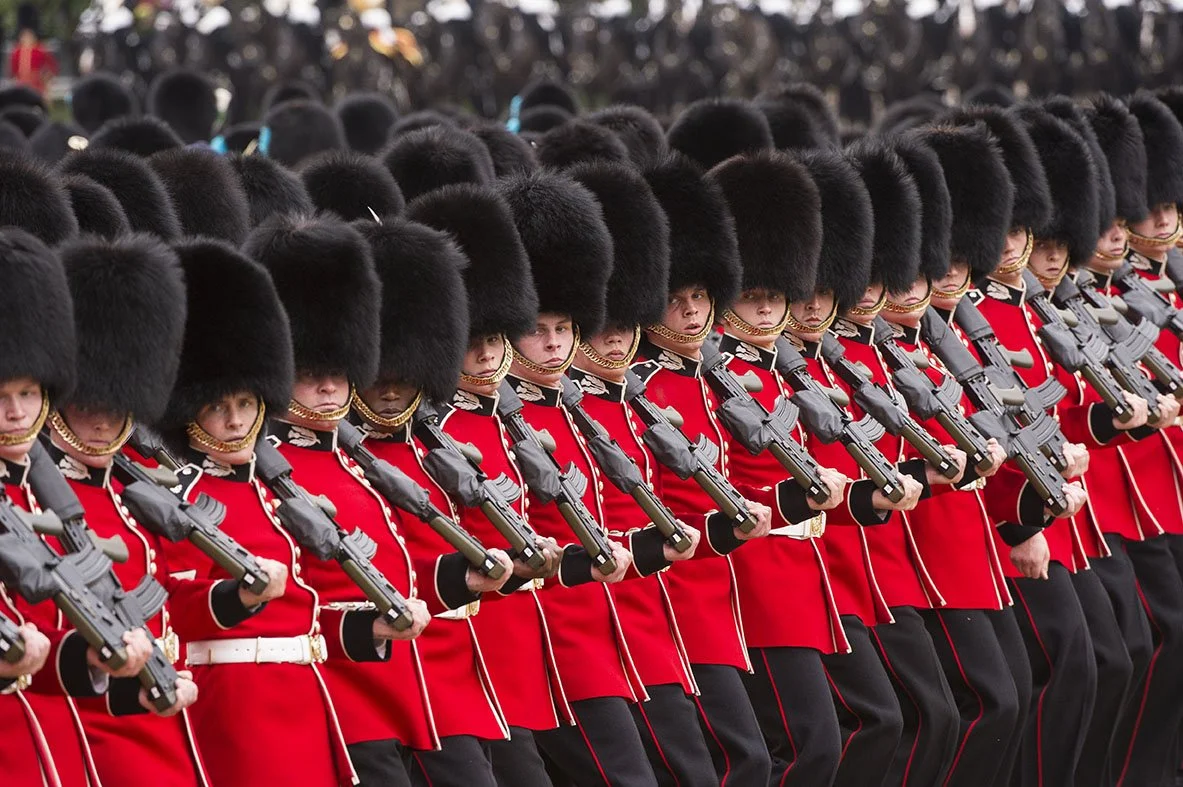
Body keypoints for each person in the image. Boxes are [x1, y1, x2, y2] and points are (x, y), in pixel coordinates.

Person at [243, 215, 437, 787]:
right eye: (310, 374)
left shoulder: (353, 458)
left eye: (337, 371)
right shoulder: (265, 471)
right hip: (336, 693)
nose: (329, 387)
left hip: (395, 683)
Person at [157, 238, 355, 787]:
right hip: (235, 704)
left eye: (245, 404)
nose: (238, 420)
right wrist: (237, 595)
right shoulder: (181, 497)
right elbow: (172, 602)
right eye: (219, 408)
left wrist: (370, 626)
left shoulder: (278, 493)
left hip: (303, 696)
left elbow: (312, 606)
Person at [349, 214, 516, 787]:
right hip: (365, 675)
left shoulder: (439, 443)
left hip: (451, 665)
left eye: (406, 368)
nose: (391, 385)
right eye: (378, 372)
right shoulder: (326, 460)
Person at [407, 182, 565, 786]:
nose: (487, 354)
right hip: (462, 641)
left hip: (523, 636)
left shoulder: (507, 420)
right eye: (474, 342)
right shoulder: (435, 428)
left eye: (496, 339)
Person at [707, 149, 850, 786]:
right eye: (752, 296)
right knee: (805, 745)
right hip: (755, 574)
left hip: (803, 569)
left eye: (774, 296)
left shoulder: (781, 366)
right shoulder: (718, 375)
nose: (768, 309)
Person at [637, 151, 776, 785]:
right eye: (675, 300)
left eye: (700, 296)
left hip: (724, 591)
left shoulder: (718, 377)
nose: (693, 312)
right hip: (674, 597)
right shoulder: (644, 391)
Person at [45, 233, 202, 784]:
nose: (104, 420)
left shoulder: (125, 493)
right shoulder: (35, 500)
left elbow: (174, 594)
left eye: (118, 405)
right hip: (92, 735)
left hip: (159, 721)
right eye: (88, 405)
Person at [8, 4, 57, 97]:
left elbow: (51, 68)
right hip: (20, 86)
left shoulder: (41, 50)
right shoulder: (16, 52)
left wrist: (46, 81)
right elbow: (13, 72)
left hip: (37, 86)